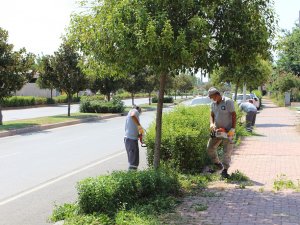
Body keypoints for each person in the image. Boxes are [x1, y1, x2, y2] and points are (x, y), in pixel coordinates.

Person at [207, 87, 236, 178]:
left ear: (217, 94)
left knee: (227, 151)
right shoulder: (213, 104)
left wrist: (232, 129)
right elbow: (212, 114)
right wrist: (212, 124)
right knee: (210, 148)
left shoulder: (228, 102)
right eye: (211, 98)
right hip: (217, 130)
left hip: (227, 131)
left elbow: (234, 115)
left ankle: (225, 170)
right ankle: (218, 164)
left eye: (213, 97)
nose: (212, 99)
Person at [124, 105, 144, 170]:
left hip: (129, 139)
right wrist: (139, 126)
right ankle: (131, 179)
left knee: (132, 161)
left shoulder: (128, 114)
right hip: (131, 140)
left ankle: (132, 178)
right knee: (133, 163)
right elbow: (133, 115)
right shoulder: (134, 111)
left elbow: (130, 128)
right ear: (139, 109)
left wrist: (138, 134)